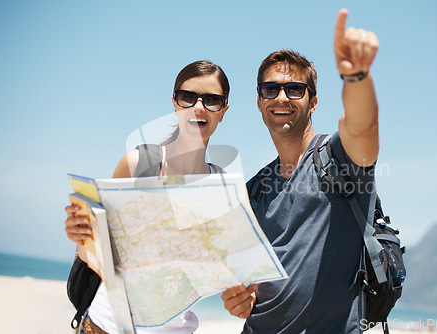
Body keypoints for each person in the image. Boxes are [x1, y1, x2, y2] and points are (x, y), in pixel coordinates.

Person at [221, 9, 380, 333]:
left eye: (295, 89)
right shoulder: (254, 189)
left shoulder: (340, 157)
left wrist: (356, 77)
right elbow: (247, 284)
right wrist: (238, 299)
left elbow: (362, 125)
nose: (282, 97)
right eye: (270, 89)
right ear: (259, 102)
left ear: (314, 101)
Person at [64, 60, 230, 334]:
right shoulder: (137, 164)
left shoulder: (221, 187)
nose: (198, 107)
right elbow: (93, 253)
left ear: (223, 111)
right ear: (175, 103)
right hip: (106, 328)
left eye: (212, 100)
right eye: (188, 97)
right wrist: (80, 236)